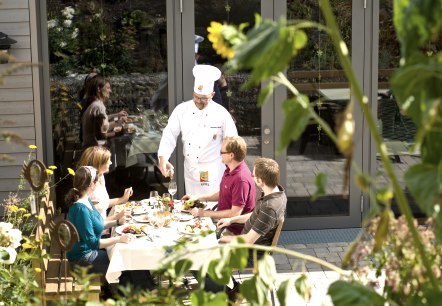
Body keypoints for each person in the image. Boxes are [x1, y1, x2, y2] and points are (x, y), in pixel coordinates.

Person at [203, 158, 287, 296]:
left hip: (251, 253)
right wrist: (231, 220)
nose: (251, 177)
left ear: (260, 181)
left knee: (205, 258)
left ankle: (226, 297)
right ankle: (229, 289)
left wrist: (219, 241)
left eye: (253, 175)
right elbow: (255, 214)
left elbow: (248, 240)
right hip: (247, 246)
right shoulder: (277, 193)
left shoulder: (270, 207)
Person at [158, 65, 238, 195]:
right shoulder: (181, 110)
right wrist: (163, 158)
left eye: (203, 98)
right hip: (191, 170)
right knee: (193, 207)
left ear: (212, 95)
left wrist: (231, 167)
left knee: (213, 208)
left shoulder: (221, 113)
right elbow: (169, 134)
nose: (199, 101)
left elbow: (233, 140)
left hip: (214, 169)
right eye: (196, 97)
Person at [65, 166, 133, 280]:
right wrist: (119, 239)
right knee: (125, 262)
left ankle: (142, 287)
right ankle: (133, 291)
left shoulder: (85, 200)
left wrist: (117, 222)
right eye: (96, 181)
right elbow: (93, 243)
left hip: (89, 252)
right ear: (92, 184)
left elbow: (98, 223)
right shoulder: (81, 209)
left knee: (125, 253)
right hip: (82, 260)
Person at [184, 136, 255, 235]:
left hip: (234, 231)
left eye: (222, 152)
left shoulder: (240, 179)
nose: (220, 154)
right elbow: (223, 193)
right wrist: (197, 198)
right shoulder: (230, 169)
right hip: (222, 224)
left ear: (231, 155)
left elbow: (235, 213)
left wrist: (203, 213)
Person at [76, 146, 133, 221]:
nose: (111, 162)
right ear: (98, 164)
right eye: (108, 160)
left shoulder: (100, 177)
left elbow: (103, 204)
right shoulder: (89, 187)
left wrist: (123, 198)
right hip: (99, 231)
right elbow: (94, 223)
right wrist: (117, 217)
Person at [80, 74, 127, 149]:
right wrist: (119, 133)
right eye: (108, 88)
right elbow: (100, 136)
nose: (110, 91)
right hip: (94, 151)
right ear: (99, 89)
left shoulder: (95, 104)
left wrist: (118, 122)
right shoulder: (98, 107)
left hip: (90, 148)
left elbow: (102, 128)